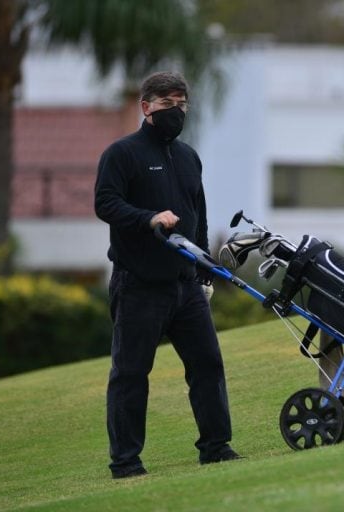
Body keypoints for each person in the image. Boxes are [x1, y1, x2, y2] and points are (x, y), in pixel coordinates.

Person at [95, 71, 241, 479]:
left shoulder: (190, 156)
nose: (176, 111)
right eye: (167, 103)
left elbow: (199, 216)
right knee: (130, 374)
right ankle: (126, 462)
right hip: (139, 284)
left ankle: (215, 447)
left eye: (182, 103)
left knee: (208, 364)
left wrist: (204, 269)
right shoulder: (122, 155)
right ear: (146, 107)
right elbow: (105, 203)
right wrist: (149, 218)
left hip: (185, 285)